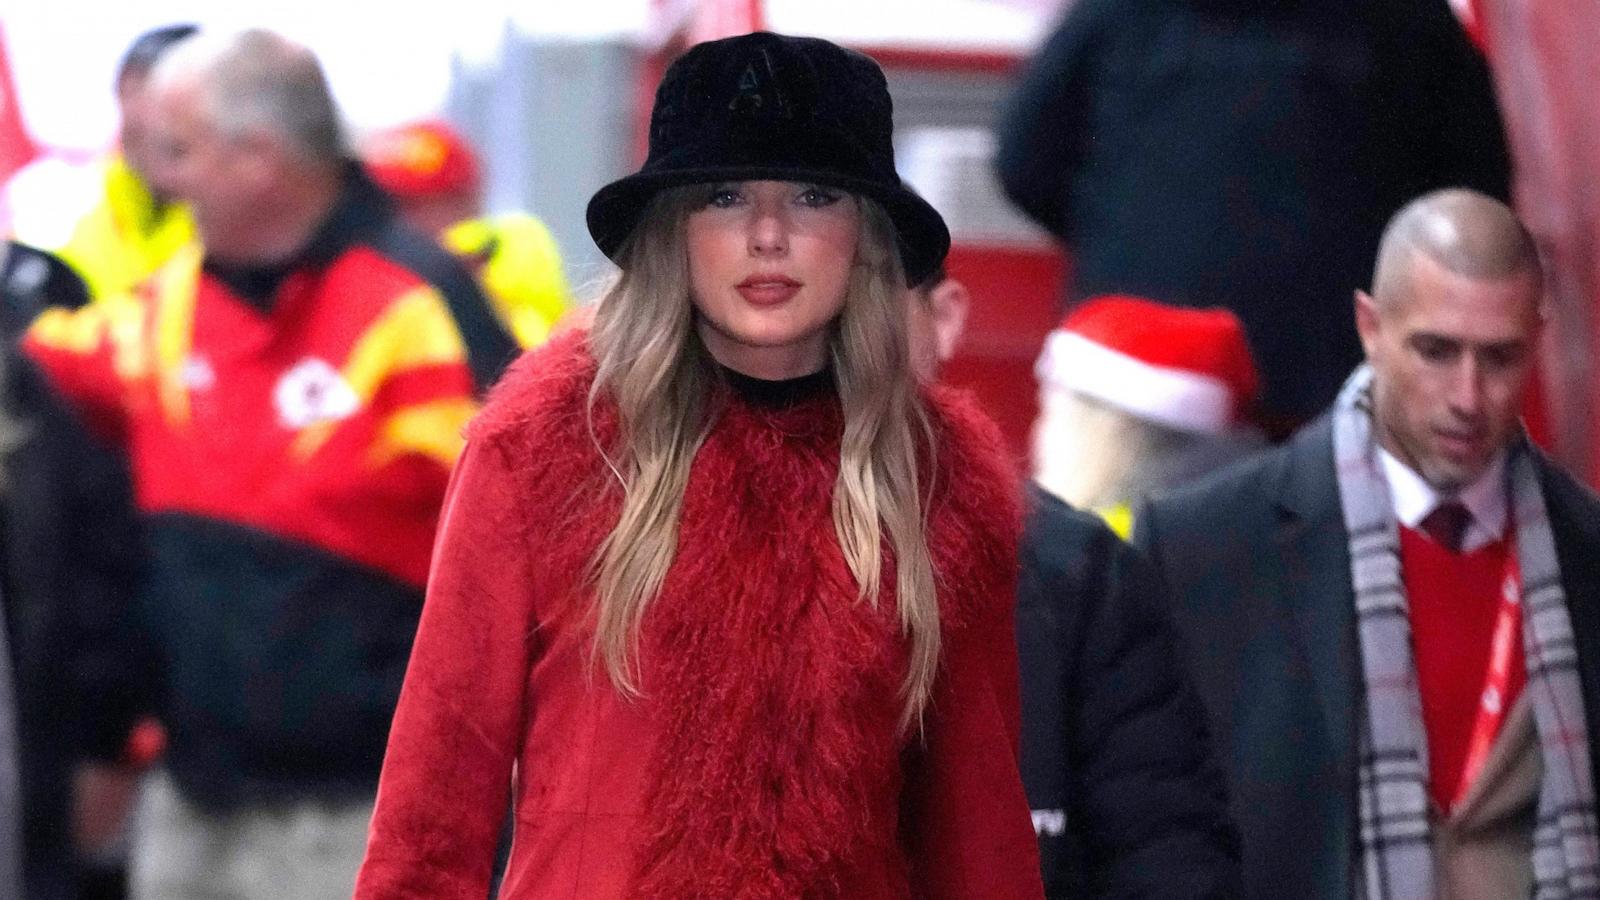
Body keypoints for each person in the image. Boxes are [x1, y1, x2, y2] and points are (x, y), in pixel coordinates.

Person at [354, 31, 1043, 899]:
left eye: (812, 196)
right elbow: (438, 790)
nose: (766, 236)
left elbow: (976, 831)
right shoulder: (544, 449)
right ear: (669, 232)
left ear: (865, 236)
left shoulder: (936, 479)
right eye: (722, 196)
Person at [22, 29, 499, 900]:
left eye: (180, 151)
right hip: (189, 804)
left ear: (258, 160)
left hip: (361, 819)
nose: (162, 179)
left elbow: (530, 560)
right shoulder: (168, 303)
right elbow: (39, 370)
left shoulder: (418, 306)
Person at [1133, 188, 1600, 899]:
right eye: (1436, 352)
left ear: (1539, 340)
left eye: (1500, 358)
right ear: (1370, 327)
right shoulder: (1206, 547)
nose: (1468, 397)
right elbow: (1157, 831)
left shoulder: (1586, 549)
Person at [995, 0, 1512, 436]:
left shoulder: (1116, 11)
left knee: (1116, 545)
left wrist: (1122, 237)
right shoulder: (1406, 19)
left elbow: (1024, 161)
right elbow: (1472, 199)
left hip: (1133, 370)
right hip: (1329, 376)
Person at [1031, 295, 1263, 537]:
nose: (1038, 431)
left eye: (1049, 414)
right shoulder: (1233, 528)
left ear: (1104, 435)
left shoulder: (1087, 551)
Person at [363, 119, 573, 349]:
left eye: (414, 204)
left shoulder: (507, 266)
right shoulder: (365, 273)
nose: (398, 222)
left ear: (465, 201)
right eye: (382, 207)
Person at [48, 24, 198, 302]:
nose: (184, 126)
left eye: (205, 106)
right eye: (172, 99)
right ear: (126, 86)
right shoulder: (46, 208)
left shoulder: (238, 224)